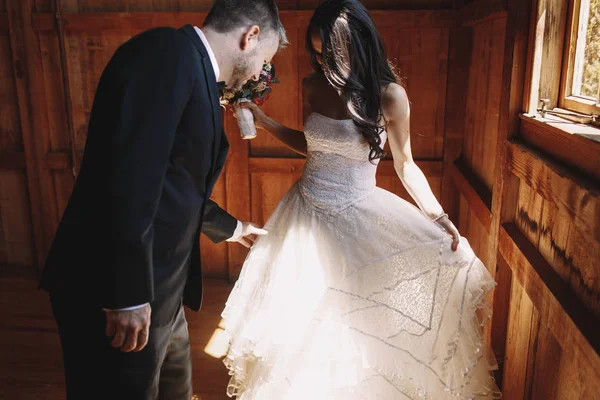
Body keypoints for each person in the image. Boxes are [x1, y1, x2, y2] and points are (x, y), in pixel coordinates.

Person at [221, 0, 502, 398]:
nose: (323, 64)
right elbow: (317, 146)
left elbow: (405, 165)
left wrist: (437, 216)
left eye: (331, 55)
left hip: (358, 218)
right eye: (316, 55)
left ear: (360, 46)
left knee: (358, 330)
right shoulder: (313, 85)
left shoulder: (390, 97)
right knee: (302, 330)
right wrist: (265, 124)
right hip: (303, 216)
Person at [38, 1, 287, 398]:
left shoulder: (194, 71)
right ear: (250, 37)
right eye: (265, 61)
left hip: (163, 296)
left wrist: (234, 228)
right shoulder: (167, 55)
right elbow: (131, 175)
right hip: (116, 291)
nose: (260, 73)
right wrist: (128, 296)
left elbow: (174, 183)